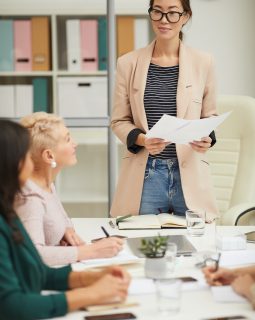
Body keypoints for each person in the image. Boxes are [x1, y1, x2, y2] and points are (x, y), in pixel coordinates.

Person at [0, 119, 130, 320]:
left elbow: (36, 271)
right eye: (26, 154)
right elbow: (12, 306)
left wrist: (90, 277)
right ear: (13, 165)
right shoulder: (20, 206)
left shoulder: (7, 213)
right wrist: (91, 294)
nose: (31, 161)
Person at [110, 0, 218, 221]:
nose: (164, 20)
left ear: (185, 16)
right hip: (147, 173)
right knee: (142, 244)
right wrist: (142, 139)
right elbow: (119, 120)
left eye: (172, 13)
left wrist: (207, 138)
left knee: (196, 245)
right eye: (157, 12)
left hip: (189, 171)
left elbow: (210, 116)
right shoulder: (127, 63)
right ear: (150, 14)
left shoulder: (203, 62)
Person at [15, 112, 123, 266]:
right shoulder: (30, 198)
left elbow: (61, 217)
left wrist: (66, 229)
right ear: (49, 156)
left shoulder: (47, 184)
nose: (75, 143)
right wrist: (92, 251)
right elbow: (33, 254)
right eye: (67, 139)